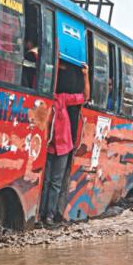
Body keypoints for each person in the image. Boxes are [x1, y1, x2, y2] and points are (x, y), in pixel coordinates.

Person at [40, 63, 90, 227]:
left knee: (55, 182)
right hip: (48, 146)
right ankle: (41, 214)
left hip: (63, 146)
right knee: (46, 180)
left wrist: (85, 75)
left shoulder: (61, 99)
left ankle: (50, 215)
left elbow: (85, 97)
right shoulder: (43, 102)